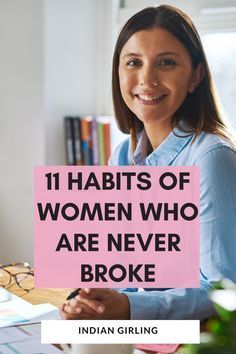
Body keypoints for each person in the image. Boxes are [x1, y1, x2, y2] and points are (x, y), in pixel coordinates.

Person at [60, 4, 236, 322]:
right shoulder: (123, 158)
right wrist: (92, 299)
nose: (147, 78)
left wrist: (129, 308)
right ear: (119, 72)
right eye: (133, 62)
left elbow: (224, 293)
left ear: (195, 75)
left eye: (166, 63)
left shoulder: (212, 158)